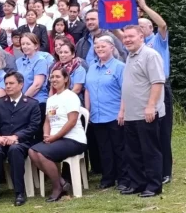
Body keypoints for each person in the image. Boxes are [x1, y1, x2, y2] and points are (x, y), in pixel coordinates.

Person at [29, 67, 87, 202]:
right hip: (56, 139)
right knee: (32, 151)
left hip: (73, 139)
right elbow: (47, 121)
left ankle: (57, 188)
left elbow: (72, 122)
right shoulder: (51, 99)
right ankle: (61, 181)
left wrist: (55, 137)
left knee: (42, 154)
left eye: (57, 77)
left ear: (66, 79)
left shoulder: (71, 96)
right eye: (52, 77)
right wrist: (46, 135)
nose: (54, 80)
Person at [0, 71, 41, 206]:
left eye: (11, 83)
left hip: (22, 142)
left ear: (21, 85)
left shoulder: (32, 104)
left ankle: (19, 192)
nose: (8, 86)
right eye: (6, 84)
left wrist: (16, 137)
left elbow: (34, 127)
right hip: (2, 141)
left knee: (15, 150)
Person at [120, 25, 165, 198]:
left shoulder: (150, 55)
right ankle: (137, 183)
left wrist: (151, 106)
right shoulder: (130, 56)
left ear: (141, 37)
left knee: (150, 151)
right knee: (133, 152)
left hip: (146, 113)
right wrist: (123, 110)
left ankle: (154, 186)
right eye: (125, 37)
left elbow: (157, 82)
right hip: (131, 114)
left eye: (131, 36)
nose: (127, 40)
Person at [136, 0, 172, 184]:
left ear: (150, 28)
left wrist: (144, 6)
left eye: (143, 25)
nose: (139, 28)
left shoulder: (158, 39)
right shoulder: (138, 45)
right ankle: (151, 169)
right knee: (149, 131)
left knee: (163, 130)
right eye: (138, 25)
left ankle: (166, 171)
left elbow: (163, 24)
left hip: (161, 87)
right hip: (144, 89)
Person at [84, 36, 129, 190]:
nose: (100, 49)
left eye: (103, 46)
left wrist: (122, 111)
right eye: (97, 47)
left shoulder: (119, 66)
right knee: (104, 149)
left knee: (119, 148)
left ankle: (123, 179)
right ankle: (108, 177)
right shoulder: (92, 66)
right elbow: (88, 90)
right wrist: (87, 110)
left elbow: (125, 91)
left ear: (112, 47)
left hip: (114, 114)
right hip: (97, 116)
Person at [16, 33, 49, 142]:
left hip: (37, 102)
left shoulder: (40, 61)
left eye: (28, 43)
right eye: (22, 44)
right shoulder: (19, 61)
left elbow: (37, 85)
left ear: (36, 45)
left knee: (35, 135)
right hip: (24, 102)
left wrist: (22, 99)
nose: (24, 46)